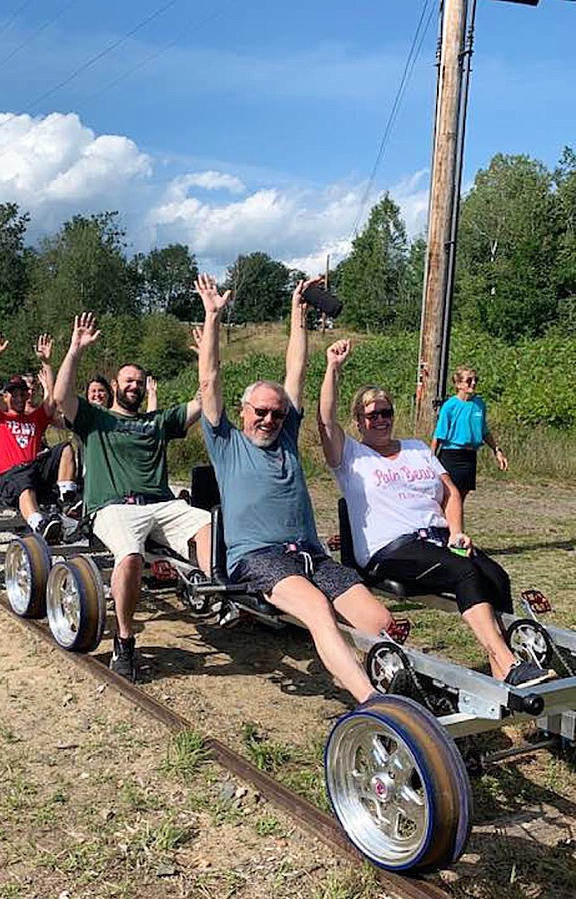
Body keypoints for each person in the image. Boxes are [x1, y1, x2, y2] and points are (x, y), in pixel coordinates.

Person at [196, 275, 393, 704]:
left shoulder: (285, 436)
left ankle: (404, 687)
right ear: (243, 411)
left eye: (277, 414)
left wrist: (297, 312)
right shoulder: (226, 442)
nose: (269, 420)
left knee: (379, 620)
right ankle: (374, 703)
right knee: (318, 612)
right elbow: (209, 380)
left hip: (311, 554)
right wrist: (213, 317)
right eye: (261, 412)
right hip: (258, 559)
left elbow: (296, 370)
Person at [319, 339, 553, 689]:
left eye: (387, 413)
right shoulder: (350, 457)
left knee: (496, 576)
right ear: (358, 421)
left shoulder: (416, 448)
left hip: (438, 538)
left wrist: (456, 531)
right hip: (390, 548)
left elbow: (450, 493)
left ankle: (501, 663)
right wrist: (333, 369)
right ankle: (507, 665)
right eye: (373, 415)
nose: (381, 420)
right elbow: (325, 421)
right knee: (463, 572)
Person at [54, 313, 212, 682]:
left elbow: (205, 398)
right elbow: (61, 396)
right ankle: (124, 640)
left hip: (162, 503)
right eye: (128, 381)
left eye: (139, 382)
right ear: (115, 385)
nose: (134, 386)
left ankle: (215, 588)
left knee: (209, 525)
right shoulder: (95, 419)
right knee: (129, 557)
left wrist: (207, 349)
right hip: (114, 507)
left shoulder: (157, 421)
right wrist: (75, 349)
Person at [0, 330, 78, 544]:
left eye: (23, 393)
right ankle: (38, 523)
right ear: (5, 397)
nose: (19, 397)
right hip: (8, 479)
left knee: (66, 448)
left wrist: (47, 363)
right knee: (23, 478)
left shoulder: (35, 418)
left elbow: (54, 399)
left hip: (33, 472)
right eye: (14, 393)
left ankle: (67, 498)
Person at [431, 365, 508, 518]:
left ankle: (453, 532)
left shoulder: (479, 404)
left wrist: (497, 451)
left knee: (461, 497)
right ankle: (445, 530)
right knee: (451, 496)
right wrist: (430, 460)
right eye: (469, 380)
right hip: (451, 455)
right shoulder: (450, 406)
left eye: (475, 380)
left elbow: (484, 431)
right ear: (458, 384)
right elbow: (438, 436)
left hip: (469, 456)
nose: (473, 383)